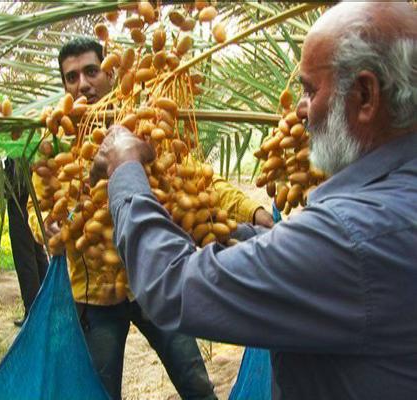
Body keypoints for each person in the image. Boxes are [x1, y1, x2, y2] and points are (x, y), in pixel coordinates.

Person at [90, 2, 417, 400]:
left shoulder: (349, 236)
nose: (299, 111)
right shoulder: (389, 206)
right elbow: (325, 266)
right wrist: (231, 233)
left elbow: (171, 286)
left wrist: (125, 166)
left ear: (366, 95)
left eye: (311, 91)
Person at [28, 37, 272, 399]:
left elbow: (199, 180)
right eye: (71, 77)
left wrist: (253, 211)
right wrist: (47, 225)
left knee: (196, 385)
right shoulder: (56, 148)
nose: (83, 84)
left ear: (111, 73)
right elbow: (42, 214)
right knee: (102, 391)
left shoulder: (140, 129)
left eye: (91, 71)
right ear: (64, 85)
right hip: (95, 299)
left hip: (150, 280)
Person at [4, 157, 48, 327]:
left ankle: (33, 312)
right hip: (31, 187)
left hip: (20, 190)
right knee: (36, 251)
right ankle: (45, 307)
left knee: (24, 254)